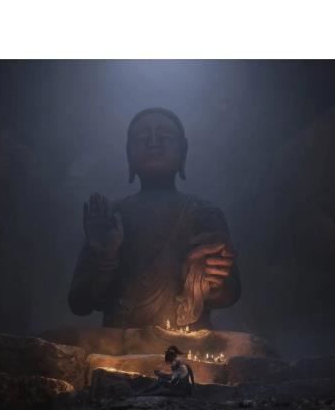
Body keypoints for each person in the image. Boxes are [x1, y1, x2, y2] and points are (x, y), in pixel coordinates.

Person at [68, 108, 241, 330]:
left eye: (165, 136)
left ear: (183, 152)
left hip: (186, 342)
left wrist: (209, 280)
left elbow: (231, 294)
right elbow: (79, 303)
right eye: (142, 137)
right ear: (129, 154)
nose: (153, 143)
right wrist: (104, 257)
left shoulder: (203, 213)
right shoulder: (112, 217)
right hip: (121, 345)